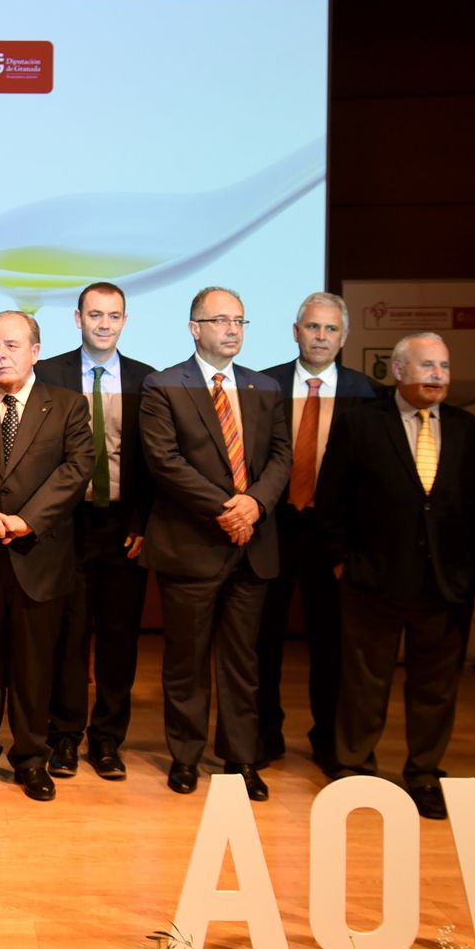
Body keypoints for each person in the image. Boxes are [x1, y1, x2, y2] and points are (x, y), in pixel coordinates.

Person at [314, 333, 475, 819]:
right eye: (427, 366)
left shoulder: (471, 431)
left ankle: (424, 773)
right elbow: (331, 501)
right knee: (363, 683)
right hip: (372, 579)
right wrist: (342, 561)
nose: (438, 375)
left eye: (443, 366)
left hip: (445, 583)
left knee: (435, 688)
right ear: (397, 372)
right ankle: (355, 769)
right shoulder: (360, 426)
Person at [138, 286, 291, 801]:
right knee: (186, 660)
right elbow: (165, 462)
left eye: (240, 322)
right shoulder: (163, 386)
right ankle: (184, 755)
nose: (232, 330)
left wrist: (256, 505)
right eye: (221, 320)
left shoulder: (265, 386)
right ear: (194, 328)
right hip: (192, 544)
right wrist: (229, 509)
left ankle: (241, 759)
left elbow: (281, 457)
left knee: (243, 662)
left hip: (253, 544)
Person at [0, 311, 92, 802]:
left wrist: (28, 519)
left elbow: (77, 468)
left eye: (10, 345)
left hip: (37, 555)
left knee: (34, 667)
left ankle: (31, 759)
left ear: (36, 351)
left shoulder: (67, 405)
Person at [256, 292, 379, 773]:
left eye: (331, 330)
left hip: (332, 535)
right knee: (261, 639)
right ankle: (265, 732)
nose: (321, 337)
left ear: (344, 338)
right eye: (313, 328)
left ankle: (329, 738)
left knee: (332, 641)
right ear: (295, 331)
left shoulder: (367, 392)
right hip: (272, 527)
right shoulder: (264, 385)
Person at [36, 282, 155, 781]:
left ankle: (107, 740)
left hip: (125, 527)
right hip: (66, 524)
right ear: (77, 317)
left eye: (114, 315)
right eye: (95, 314)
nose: (104, 323)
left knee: (118, 638)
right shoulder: (48, 374)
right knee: (68, 636)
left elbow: (155, 463)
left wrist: (143, 523)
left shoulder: (148, 380)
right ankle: (63, 737)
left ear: (124, 321)